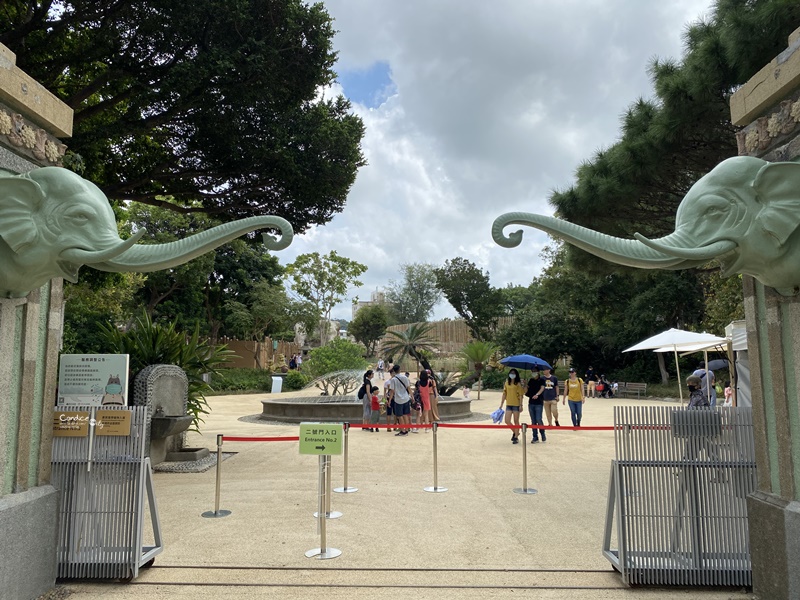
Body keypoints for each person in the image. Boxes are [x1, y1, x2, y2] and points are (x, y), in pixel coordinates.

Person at [500, 368, 525, 444]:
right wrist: (501, 404)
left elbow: (521, 395)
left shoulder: (518, 384)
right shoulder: (507, 383)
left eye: (514, 373)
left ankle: (516, 437)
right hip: (509, 404)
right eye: (511, 373)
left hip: (516, 404)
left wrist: (521, 405)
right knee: (507, 420)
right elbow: (504, 393)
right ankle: (516, 432)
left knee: (516, 421)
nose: (512, 375)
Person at [387, 364, 412, 436]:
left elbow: (392, 391)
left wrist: (389, 400)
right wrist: (412, 397)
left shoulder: (393, 380)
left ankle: (402, 430)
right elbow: (408, 388)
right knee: (405, 415)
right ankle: (406, 430)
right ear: (400, 369)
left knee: (399, 415)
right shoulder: (405, 377)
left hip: (398, 400)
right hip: (406, 398)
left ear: (394, 371)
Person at [525, 369, 546, 443]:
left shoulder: (542, 380)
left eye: (535, 371)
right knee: (533, 420)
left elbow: (542, 388)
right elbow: (526, 392)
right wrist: (525, 385)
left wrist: (537, 394)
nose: (533, 373)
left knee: (538, 419)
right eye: (532, 371)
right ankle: (535, 436)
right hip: (531, 402)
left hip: (539, 402)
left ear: (538, 372)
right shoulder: (530, 380)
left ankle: (542, 433)